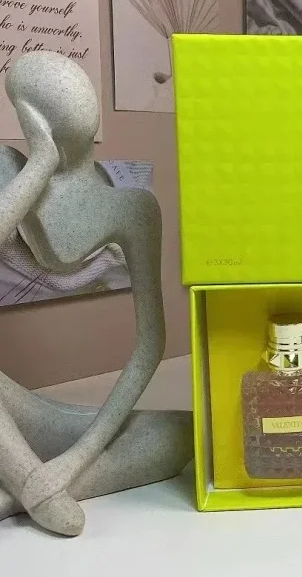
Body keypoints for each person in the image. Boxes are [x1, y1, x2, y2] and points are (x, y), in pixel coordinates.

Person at [0, 52, 191, 535]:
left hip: (46, 433)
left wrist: (74, 460)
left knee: (181, 434)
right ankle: (30, 482)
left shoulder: (133, 208)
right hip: (10, 409)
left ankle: (21, 493)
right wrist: (41, 162)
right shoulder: (9, 172)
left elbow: (150, 345)